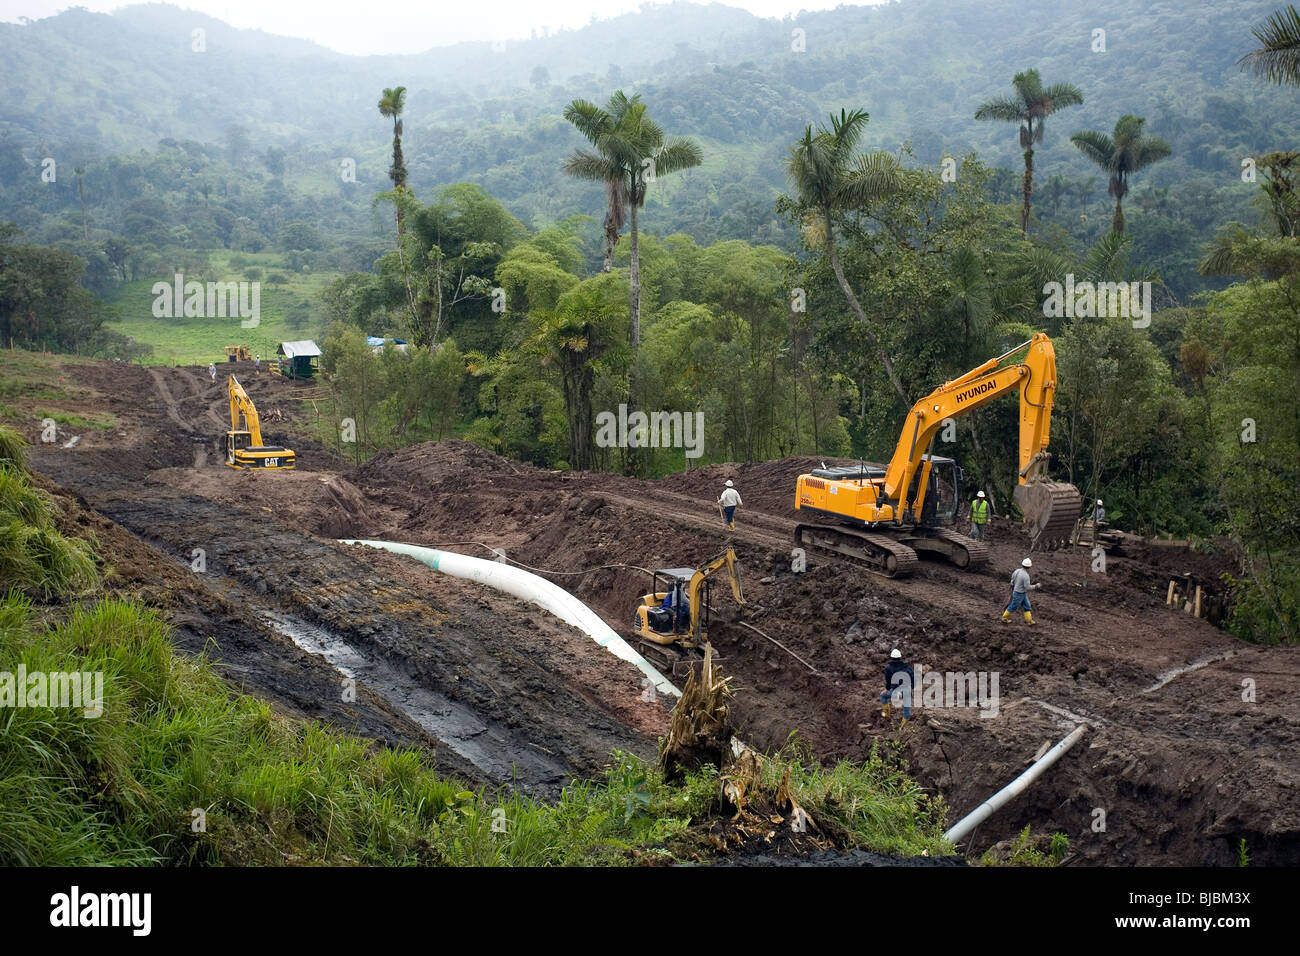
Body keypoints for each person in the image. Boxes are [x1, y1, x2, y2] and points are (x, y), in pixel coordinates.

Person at [1002, 557, 1041, 625]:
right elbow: (1027, 587)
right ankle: (1004, 618)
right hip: (1019, 594)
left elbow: (1012, 580)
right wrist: (1036, 586)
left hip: (1020, 592)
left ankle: (1029, 621)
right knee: (1013, 606)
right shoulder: (1026, 576)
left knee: (1027, 606)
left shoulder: (1017, 571)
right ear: (1029, 567)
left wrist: (1013, 585)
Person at [881, 648, 914, 720]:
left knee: (883, 695)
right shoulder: (907, 667)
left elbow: (888, 681)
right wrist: (912, 688)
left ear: (891, 657)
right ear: (900, 657)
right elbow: (913, 678)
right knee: (906, 710)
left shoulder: (888, 668)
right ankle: (903, 728)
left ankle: (886, 715)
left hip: (895, 690)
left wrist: (887, 689)